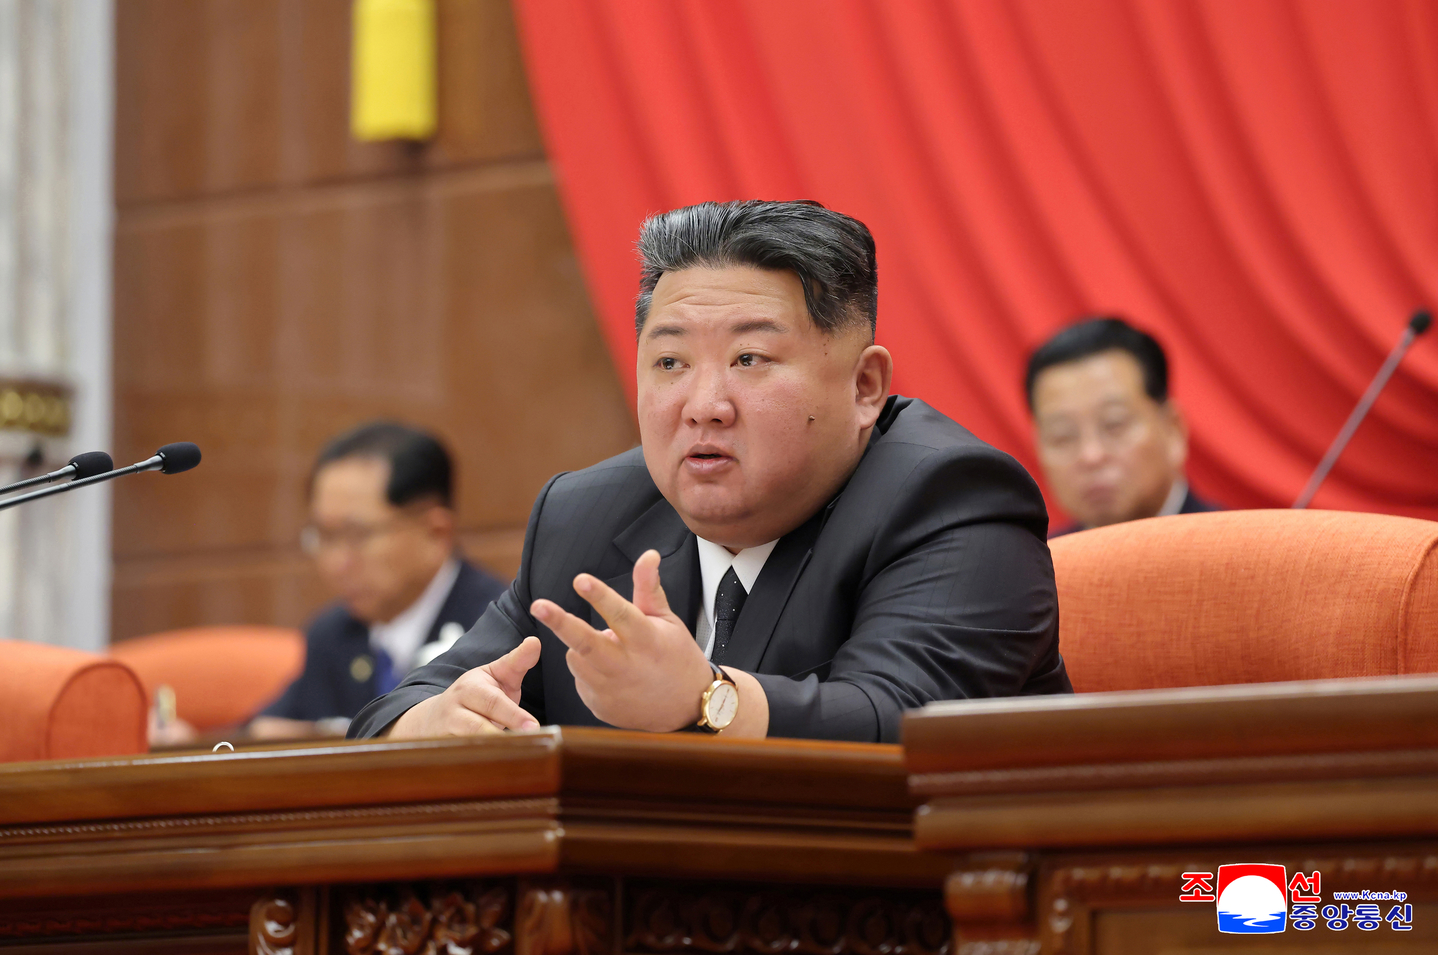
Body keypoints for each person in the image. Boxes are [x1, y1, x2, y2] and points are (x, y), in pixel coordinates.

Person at [350, 200, 1071, 745]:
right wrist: (437, 719)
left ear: (863, 387)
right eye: (670, 362)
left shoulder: (954, 501)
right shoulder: (587, 514)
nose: (703, 405)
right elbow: (392, 709)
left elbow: (900, 725)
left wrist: (705, 699)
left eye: (749, 360)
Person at [250, 422, 507, 738]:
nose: (335, 563)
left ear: (435, 534)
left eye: (356, 535)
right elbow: (263, 730)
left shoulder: (498, 630)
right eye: (324, 536)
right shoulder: (333, 637)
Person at [1026, 316, 1220, 537]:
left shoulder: (1240, 553)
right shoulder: (1039, 565)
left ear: (1172, 430)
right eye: (1062, 436)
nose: (1091, 456)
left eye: (1114, 424)